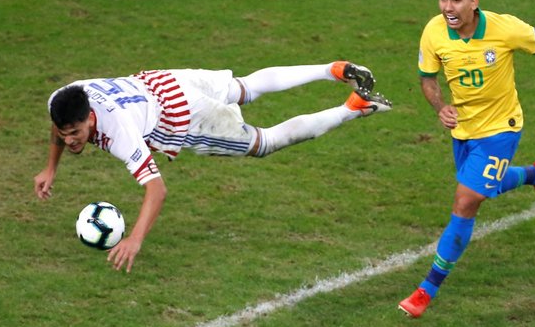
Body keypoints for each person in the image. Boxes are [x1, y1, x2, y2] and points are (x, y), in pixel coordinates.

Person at [34, 61, 391, 273]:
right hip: (162, 81)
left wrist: (135, 239)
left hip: (181, 118)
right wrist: (51, 168)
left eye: (77, 133)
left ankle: (354, 106)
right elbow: (58, 124)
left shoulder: (121, 133)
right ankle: (332, 69)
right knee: (245, 87)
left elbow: (156, 190)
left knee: (263, 143)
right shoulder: (65, 99)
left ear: (92, 118)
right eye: (66, 135)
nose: (71, 140)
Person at [398, 0, 535, 318]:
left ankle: (426, 290)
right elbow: (427, 79)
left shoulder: (504, 28)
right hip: (463, 129)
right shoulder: (434, 31)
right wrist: (440, 107)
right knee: (484, 187)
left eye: (456, 0)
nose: (448, 8)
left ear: (474, 1)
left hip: (501, 127)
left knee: (467, 200)